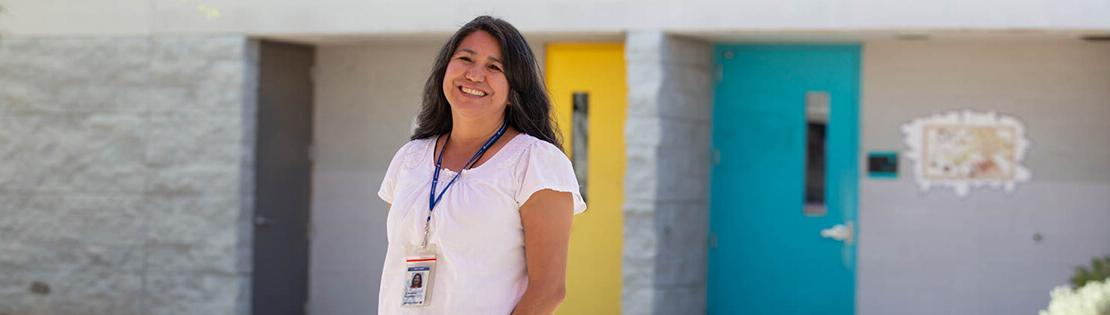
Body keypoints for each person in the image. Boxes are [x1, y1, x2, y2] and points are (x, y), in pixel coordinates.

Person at [377, 15, 587, 315]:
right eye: (465, 59)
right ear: (444, 70)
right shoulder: (410, 158)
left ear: (515, 90)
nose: (475, 75)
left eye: (494, 67)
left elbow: (548, 290)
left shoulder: (536, 162)